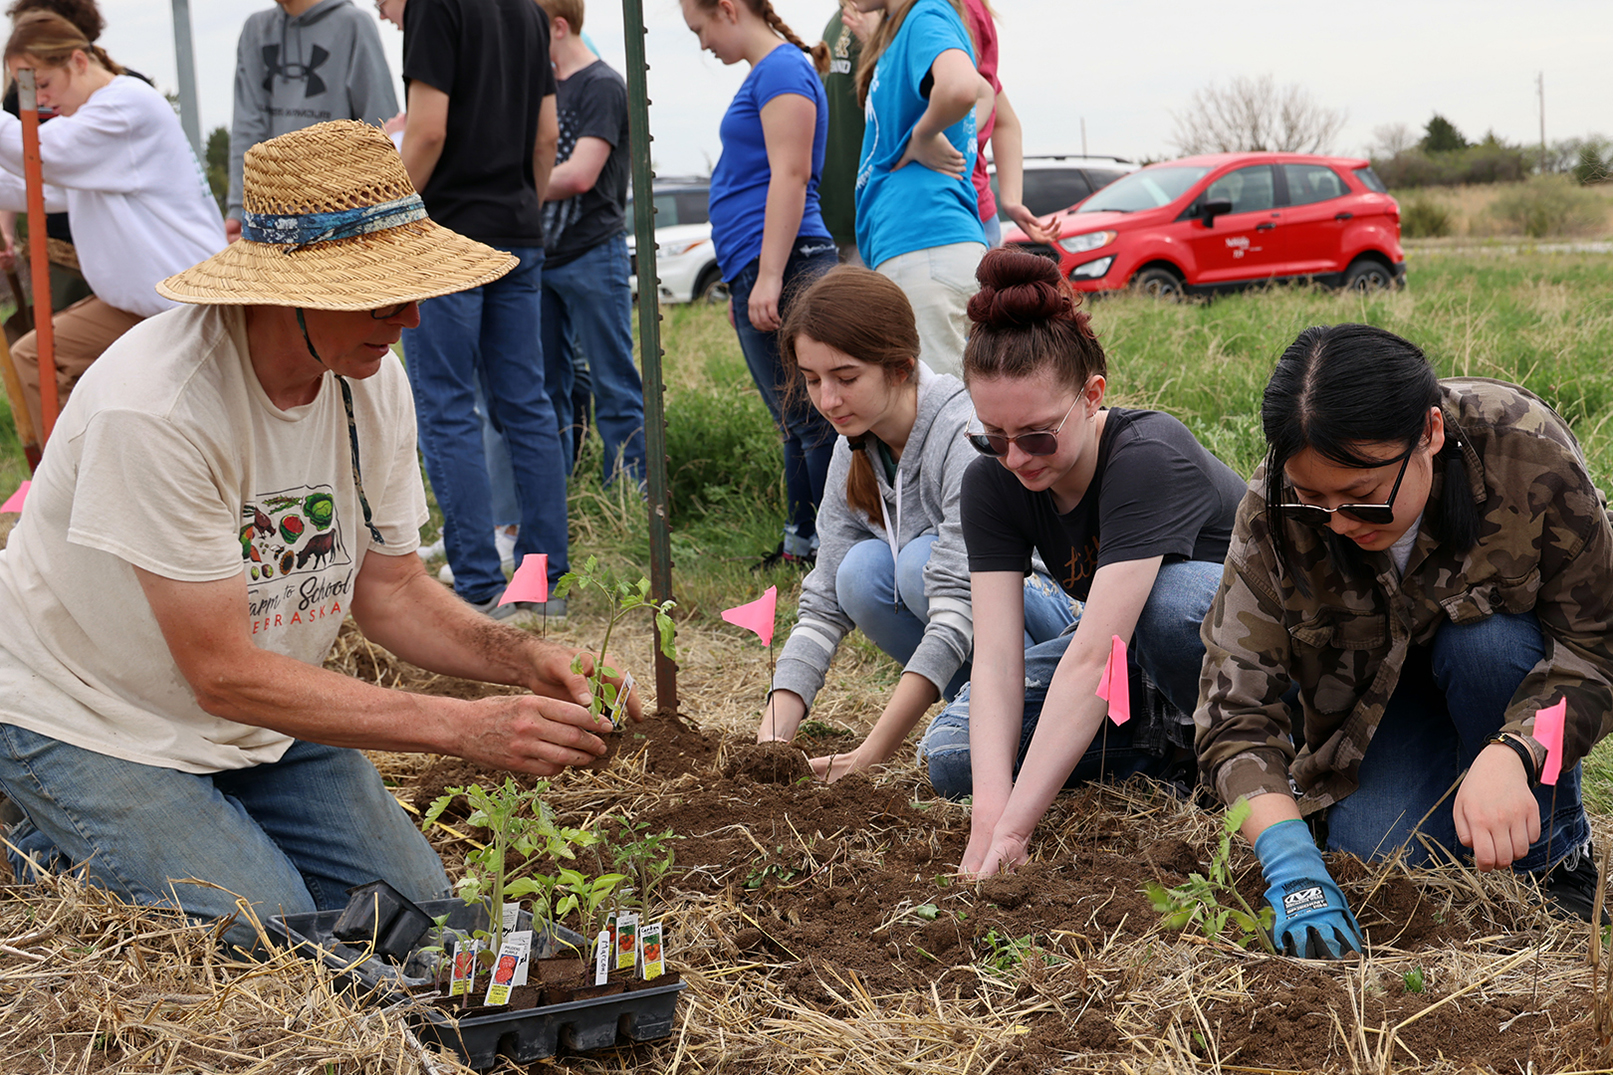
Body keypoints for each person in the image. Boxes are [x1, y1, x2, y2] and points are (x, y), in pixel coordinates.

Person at [0, 121, 634, 953]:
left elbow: (392, 590)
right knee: (277, 942)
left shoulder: (366, 376)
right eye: (382, 295)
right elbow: (221, 672)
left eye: (413, 291)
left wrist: (520, 659)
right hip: (92, 711)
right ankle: (38, 842)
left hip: (256, 709)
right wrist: (460, 725)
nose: (408, 318)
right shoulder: (158, 406)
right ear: (289, 290)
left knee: (420, 922)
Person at [1196, 324, 1607, 957]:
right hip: (1379, 707)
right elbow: (1235, 707)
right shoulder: (1274, 512)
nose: (1337, 523)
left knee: (1485, 645)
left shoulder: (1523, 451)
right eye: (1314, 500)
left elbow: (1596, 648)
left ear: (1430, 434)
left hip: (1502, 679)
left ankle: (1554, 852)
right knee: (1376, 858)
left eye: (1362, 498)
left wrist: (1516, 753)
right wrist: (1289, 861)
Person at [915, 247, 1246, 879]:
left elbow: (1097, 654)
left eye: (1037, 435)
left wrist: (1015, 830)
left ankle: (1236, 745)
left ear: (1093, 396)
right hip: (1127, 662)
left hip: (1228, 653)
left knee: (1162, 600)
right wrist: (988, 817)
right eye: (991, 435)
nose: (1014, 457)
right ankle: (1176, 754)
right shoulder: (994, 481)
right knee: (953, 757)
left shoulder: (1148, 456)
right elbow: (996, 658)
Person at [756, 265, 1079, 782]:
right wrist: (771, 743)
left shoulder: (962, 433)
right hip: (976, 634)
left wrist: (869, 755)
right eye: (813, 380)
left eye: (846, 378)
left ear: (901, 368)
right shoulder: (852, 447)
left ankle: (1038, 712)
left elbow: (956, 606)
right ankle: (980, 714)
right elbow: (821, 607)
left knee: (915, 565)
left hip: (1048, 612)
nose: (828, 400)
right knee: (858, 573)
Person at [396, 0, 569, 615]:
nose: (389, 17)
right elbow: (547, 134)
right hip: (519, 232)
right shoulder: (528, 10)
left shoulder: (433, 6)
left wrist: (382, 221)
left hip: (445, 236)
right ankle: (544, 587)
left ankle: (476, 587)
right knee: (526, 405)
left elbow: (428, 130)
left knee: (446, 408)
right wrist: (525, 206)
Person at [0, 12, 224, 442]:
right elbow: (39, 189)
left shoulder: (126, 105)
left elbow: (43, 154)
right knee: (37, 357)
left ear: (80, 62)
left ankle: (95, 485)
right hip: (139, 305)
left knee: (185, 421)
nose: (39, 102)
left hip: (188, 306)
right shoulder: (100, 118)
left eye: (41, 84)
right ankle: (76, 488)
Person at [680, 0, 839, 568]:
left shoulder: (781, 69)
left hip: (789, 261)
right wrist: (747, 280)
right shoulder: (771, 71)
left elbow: (791, 174)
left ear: (726, 9)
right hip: (763, 265)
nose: (702, 44)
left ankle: (835, 553)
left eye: (699, 29)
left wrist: (769, 275)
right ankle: (804, 544)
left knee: (816, 420)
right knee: (796, 419)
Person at [536, 0, 646, 487]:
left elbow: (580, 175)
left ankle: (628, 493)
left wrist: (507, 187)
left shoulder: (602, 84)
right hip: (539, 256)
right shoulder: (541, 86)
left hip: (592, 255)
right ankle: (555, 496)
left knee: (613, 383)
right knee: (544, 387)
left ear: (559, 27)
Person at [850, 0, 992, 377]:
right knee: (963, 410)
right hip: (934, 245)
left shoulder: (925, 14)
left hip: (921, 245)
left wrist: (922, 135)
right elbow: (983, 92)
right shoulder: (912, 22)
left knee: (941, 416)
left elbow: (963, 88)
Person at [227, 0, 398, 242]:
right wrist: (239, 207)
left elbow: (379, 125)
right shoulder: (256, 29)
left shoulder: (353, 24)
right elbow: (246, 127)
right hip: (275, 219)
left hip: (342, 219)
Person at [956, 0, 1050, 250]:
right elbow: (1004, 120)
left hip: (953, 211)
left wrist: (924, 138)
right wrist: (1010, 200)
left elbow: (976, 94)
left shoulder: (953, 9)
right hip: (972, 209)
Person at [815, 1, 875, 265]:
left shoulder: (879, 15)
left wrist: (874, 42)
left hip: (868, 219)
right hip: (830, 216)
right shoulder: (836, 20)